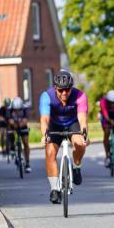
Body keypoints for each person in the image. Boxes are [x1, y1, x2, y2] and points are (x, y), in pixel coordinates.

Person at [39, 69, 89, 204]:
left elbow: (82, 118)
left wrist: (84, 134)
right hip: (54, 124)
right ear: (55, 88)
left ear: (71, 87)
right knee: (50, 152)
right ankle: (55, 189)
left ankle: (77, 166)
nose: (64, 93)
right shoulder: (46, 96)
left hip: (73, 123)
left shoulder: (80, 96)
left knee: (79, 143)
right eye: (60, 90)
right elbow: (44, 119)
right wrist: (44, 135)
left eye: (67, 89)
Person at [8, 96, 32, 172]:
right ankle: (12, 146)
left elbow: (25, 121)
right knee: (10, 132)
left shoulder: (25, 109)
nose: (17, 111)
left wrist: (18, 124)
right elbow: (10, 121)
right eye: (15, 110)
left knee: (25, 143)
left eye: (19, 110)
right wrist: (14, 126)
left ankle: (27, 163)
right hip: (13, 126)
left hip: (22, 126)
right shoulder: (9, 109)